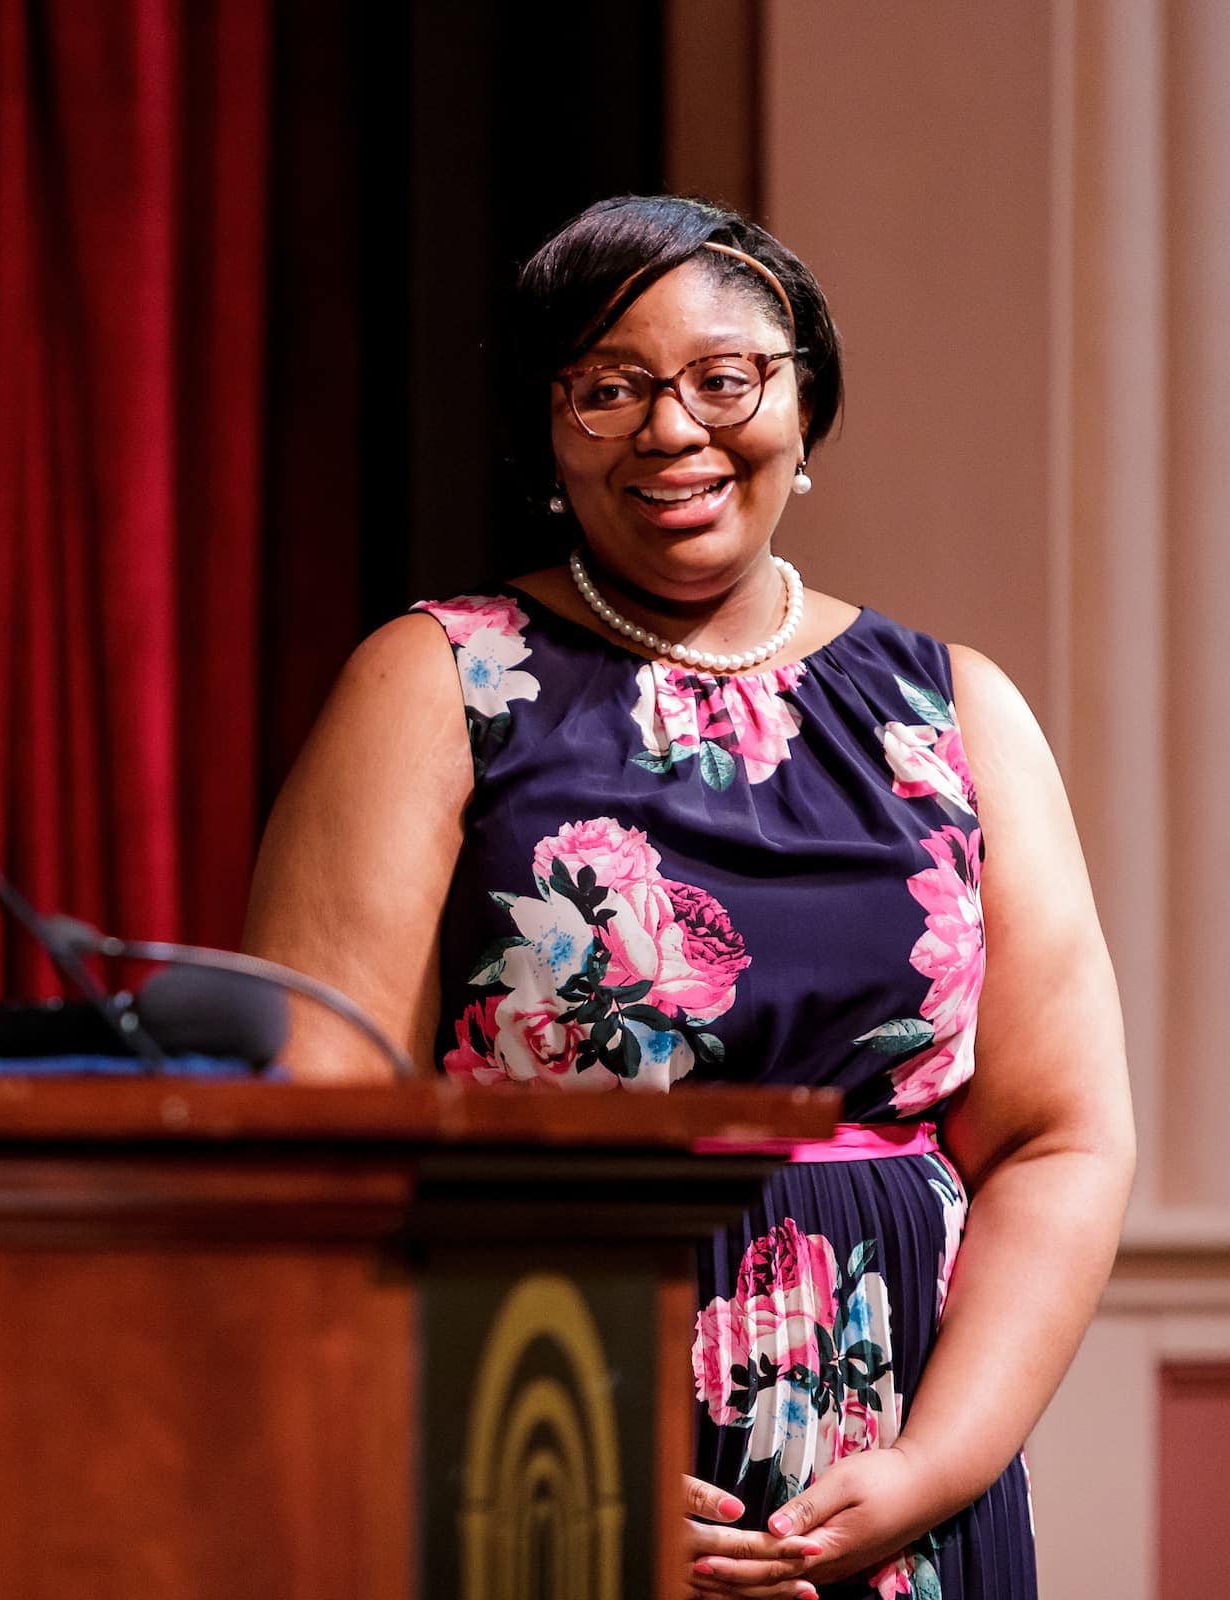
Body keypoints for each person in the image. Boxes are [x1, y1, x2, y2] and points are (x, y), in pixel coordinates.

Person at [244, 195, 1133, 1598]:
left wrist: (931, 1470)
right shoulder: (436, 685)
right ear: (548, 435)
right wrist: (525, 1438)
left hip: (901, 1478)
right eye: (608, 389)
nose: (672, 430)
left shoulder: (955, 711)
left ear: (803, 401)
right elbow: (316, 1133)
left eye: (727, 377)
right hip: (534, 1434)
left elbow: (1058, 1140)